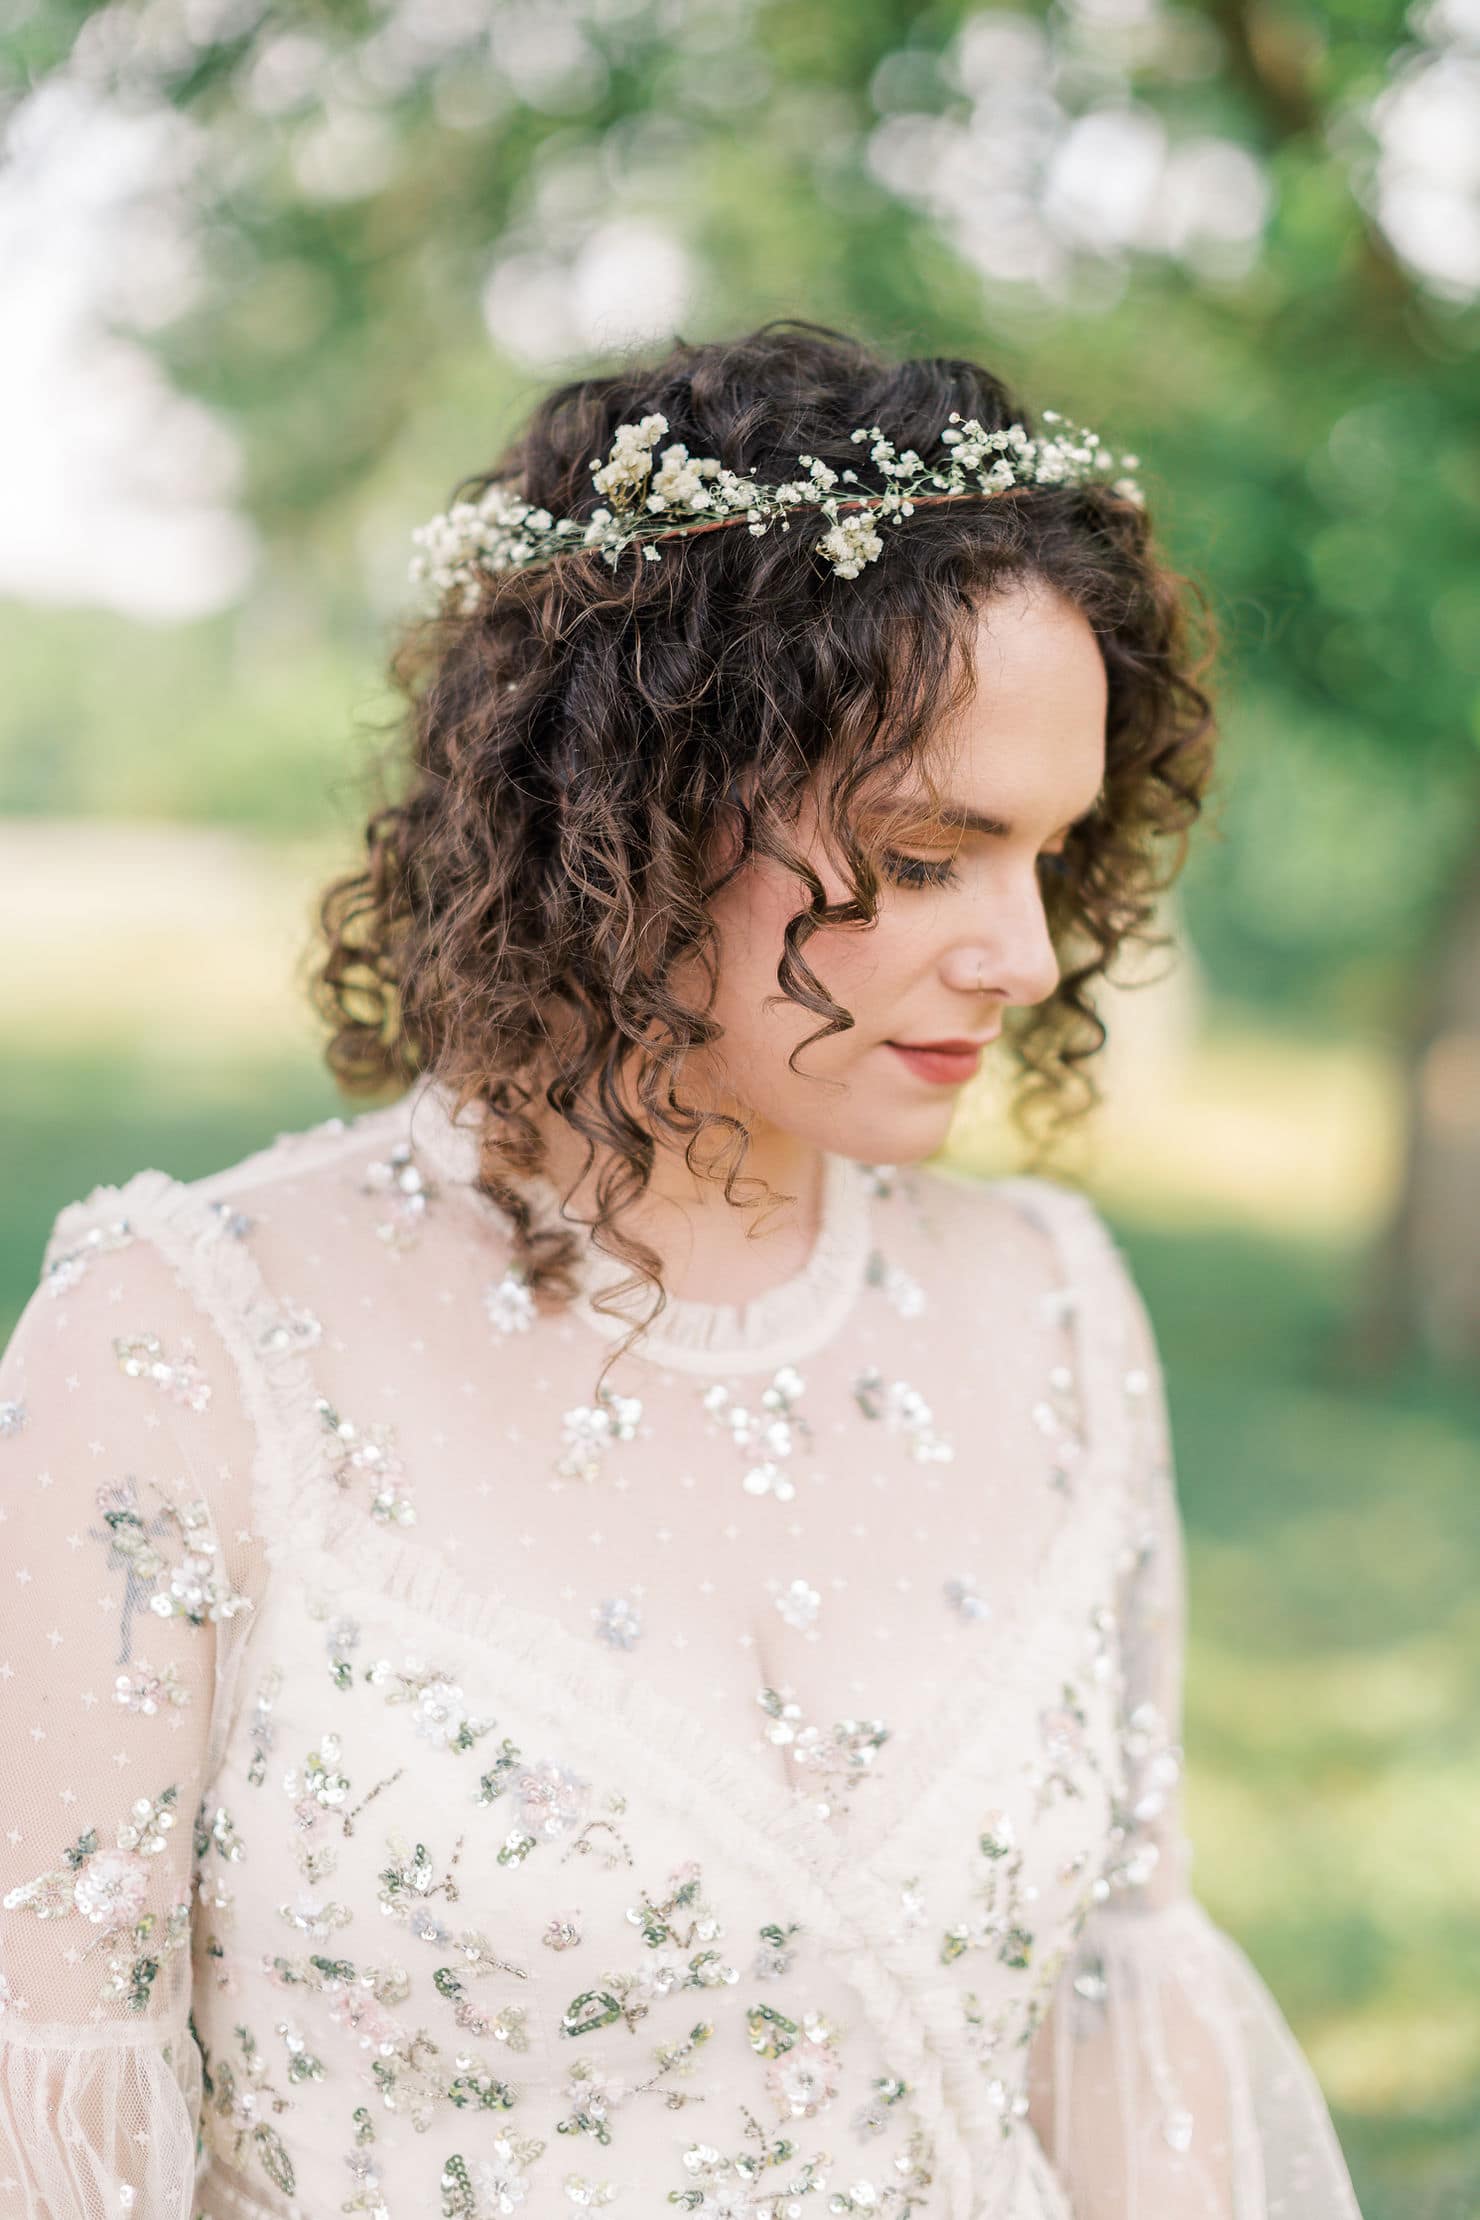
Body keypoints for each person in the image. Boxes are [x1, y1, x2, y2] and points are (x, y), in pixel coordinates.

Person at [0, 319, 1365, 2219]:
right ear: (629, 803)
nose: (1030, 956)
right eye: (932, 851)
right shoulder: (175, 1355)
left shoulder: (1054, 1304)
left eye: (1051, 856)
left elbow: (1119, 2023)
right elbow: (65, 2120)